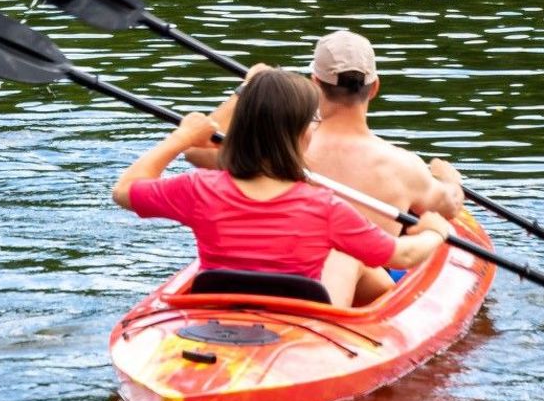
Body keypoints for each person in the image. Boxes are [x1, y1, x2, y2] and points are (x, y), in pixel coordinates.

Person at [113, 67, 452, 307]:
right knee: (347, 256)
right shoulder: (324, 206)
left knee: (346, 257)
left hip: (221, 312)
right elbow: (402, 255)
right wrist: (435, 232)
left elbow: (125, 190)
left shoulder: (200, 188)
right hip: (300, 322)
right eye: (312, 122)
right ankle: (380, 320)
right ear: (299, 133)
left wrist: (182, 138)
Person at [188, 30, 463, 239]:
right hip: (359, 291)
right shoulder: (406, 167)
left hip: (289, 275)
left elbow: (196, 151)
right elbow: (450, 208)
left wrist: (248, 88)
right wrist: (448, 178)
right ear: (375, 87)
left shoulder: (280, 144)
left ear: (314, 84)